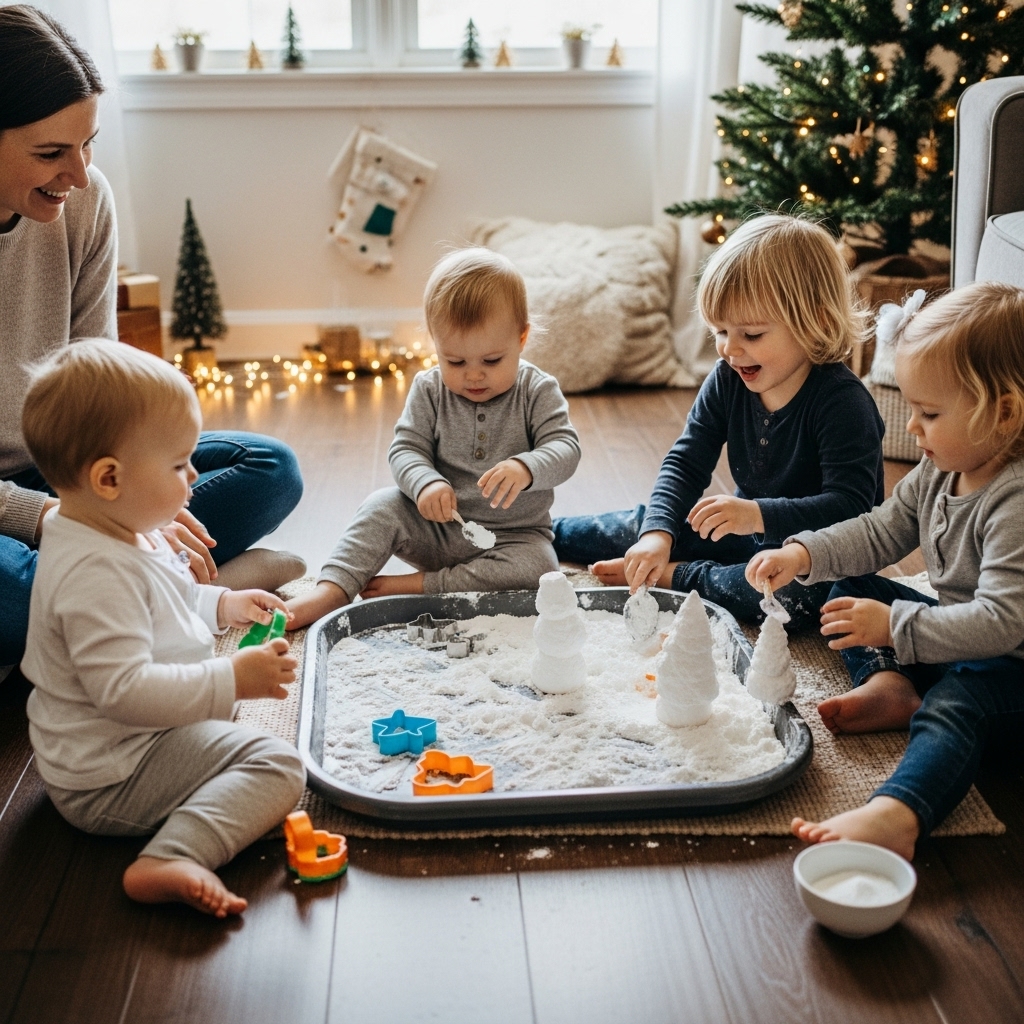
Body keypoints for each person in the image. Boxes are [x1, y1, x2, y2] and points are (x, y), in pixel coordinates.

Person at [0, 5, 304, 677]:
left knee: (269, 469)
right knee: (14, 593)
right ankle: (181, 591)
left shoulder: (83, 202)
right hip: (31, 507)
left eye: (88, 144)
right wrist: (63, 519)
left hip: (68, 469)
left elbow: (97, 388)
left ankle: (126, 595)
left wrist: (114, 503)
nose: (79, 174)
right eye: (51, 153)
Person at [20, 339, 305, 917]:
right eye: (178, 465)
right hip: (111, 774)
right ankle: (174, 855)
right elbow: (123, 692)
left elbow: (168, 599)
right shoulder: (92, 574)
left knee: (250, 749)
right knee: (279, 765)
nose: (195, 474)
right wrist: (231, 678)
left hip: (142, 740)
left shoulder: (125, 526)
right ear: (108, 478)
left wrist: (222, 604)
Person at [747, 282, 1024, 861]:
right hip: (962, 634)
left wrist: (896, 627)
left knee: (957, 704)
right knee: (850, 589)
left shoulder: (1015, 501)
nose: (913, 428)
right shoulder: (943, 468)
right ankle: (893, 687)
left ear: (1004, 413)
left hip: (1011, 668)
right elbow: (880, 531)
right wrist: (803, 554)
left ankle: (898, 813)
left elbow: (1002, 622)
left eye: (930, 413)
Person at [552, 214, 884, 630]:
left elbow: (851, 508)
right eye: (720, 330)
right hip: (746, 534)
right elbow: (686, 461)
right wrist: (657, 535)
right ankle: (540, 531)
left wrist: (757, 515)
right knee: (648, 521)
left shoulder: (844, 403)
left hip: (817, 559)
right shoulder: (728, 377)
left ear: (815, 322)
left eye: (751, 334)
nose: (729, 349)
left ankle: (676, 577)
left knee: (789, 598)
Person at [287, 247, 581, 628]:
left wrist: (527, 467)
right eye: (455, 361)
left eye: (491, 361)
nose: (473, 375)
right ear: (435, 344)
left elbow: (566, 448)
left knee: (541, 568)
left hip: (514, 538)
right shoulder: (429, 389)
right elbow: (406, 449)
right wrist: (425, 483)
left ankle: (422, 586)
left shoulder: (536, 390)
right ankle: (333, 589)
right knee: (382, 506)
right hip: (437, 530)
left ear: (522, 337)